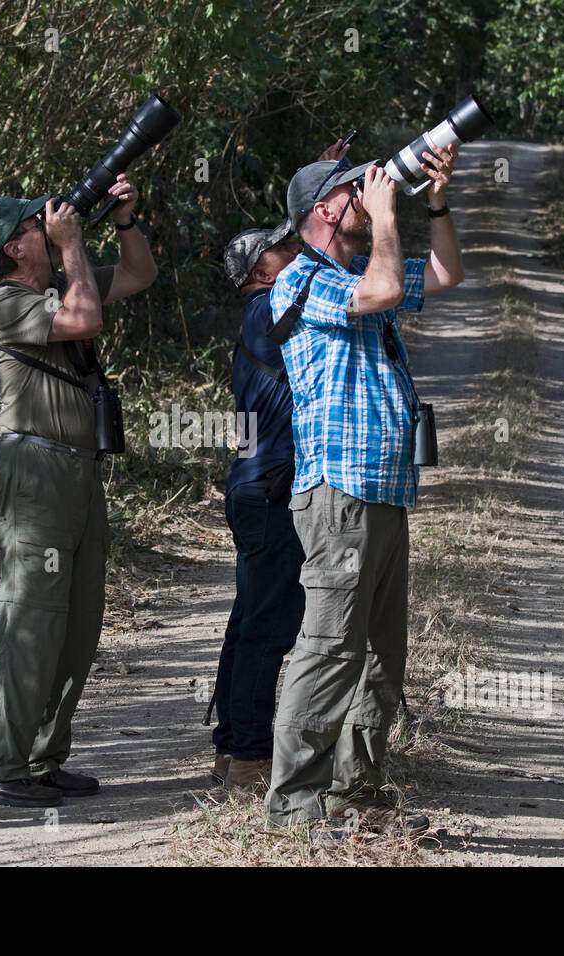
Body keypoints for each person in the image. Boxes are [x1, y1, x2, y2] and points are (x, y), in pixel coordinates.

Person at [264, 144, 464, 829]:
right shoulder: (299, 280)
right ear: (322, 211)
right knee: (329, 647)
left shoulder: (358, 268)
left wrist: (433, 200)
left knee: (381, 653)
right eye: (355, 190)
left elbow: (443, 272)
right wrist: (384, 216)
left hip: (384, 487)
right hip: (338, 491)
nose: (373, 193)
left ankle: (357, 789)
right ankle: (293, 803)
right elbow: (381, 291)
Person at [0, 174, 156, 808]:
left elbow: (138, 276)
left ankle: (42, 757)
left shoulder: (60, 282)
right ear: (14, 249)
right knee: (32, 617)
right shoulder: (1, 303)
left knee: (78, 622)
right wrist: (72, 242)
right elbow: (84, 317)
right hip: (35, 469)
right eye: (34, 225)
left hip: (77, 471)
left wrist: (123, 220)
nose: (47, 225)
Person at [210, 139, 354, 793]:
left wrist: (321, 182)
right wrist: (324, 207)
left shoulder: (271, 307)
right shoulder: (269, 308)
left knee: (253, 618)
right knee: (269, 624)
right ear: (256, 272)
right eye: (278, 247)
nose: (288, 248)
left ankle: (233, 744)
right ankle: (245, 756)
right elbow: (328, 273)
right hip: (272, 491)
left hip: (258, 488)